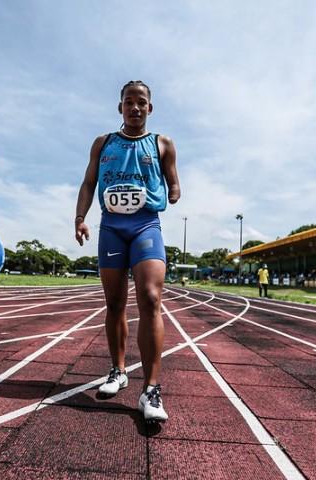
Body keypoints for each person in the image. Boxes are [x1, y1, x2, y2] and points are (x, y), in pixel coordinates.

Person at [74, 80, 181, 423]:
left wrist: (174, 191)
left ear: (150, 108)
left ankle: (151, 389)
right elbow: (89, 181)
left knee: (150, 297)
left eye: (142, 102)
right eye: (129, 102)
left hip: (146, 225)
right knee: (115, 303)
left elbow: (174, 182)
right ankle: (118, 371)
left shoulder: (162, 143)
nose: (135, 107)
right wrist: (80, 217)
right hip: (111, 227)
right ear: (119, 106)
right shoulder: (102, 143)